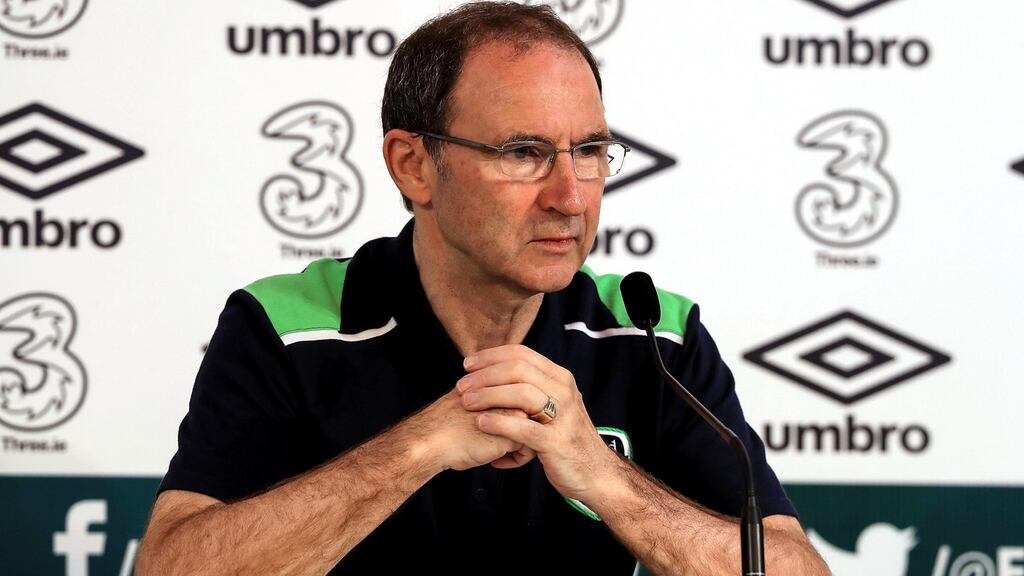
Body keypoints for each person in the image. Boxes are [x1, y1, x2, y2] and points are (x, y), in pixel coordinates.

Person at [137, 3, 828, 574]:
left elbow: (796, 570)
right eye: (523, 153)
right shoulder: (290, 325)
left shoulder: (651, 334)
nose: (570, 196)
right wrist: (420, 446)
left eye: (589, 152)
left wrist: (602, 475)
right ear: (414, 166)